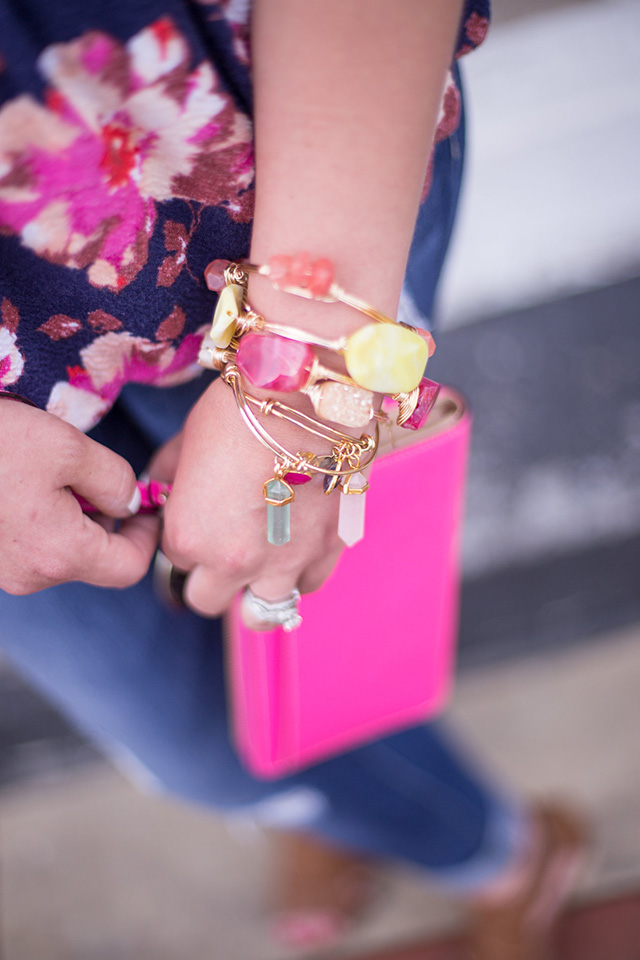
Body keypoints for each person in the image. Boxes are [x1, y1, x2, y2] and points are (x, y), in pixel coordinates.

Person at [0, 2, 585, 957]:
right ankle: (355, 810)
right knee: (200, 748)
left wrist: (304, 385)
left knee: (328, 626)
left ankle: (501, 857)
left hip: (263, 220)